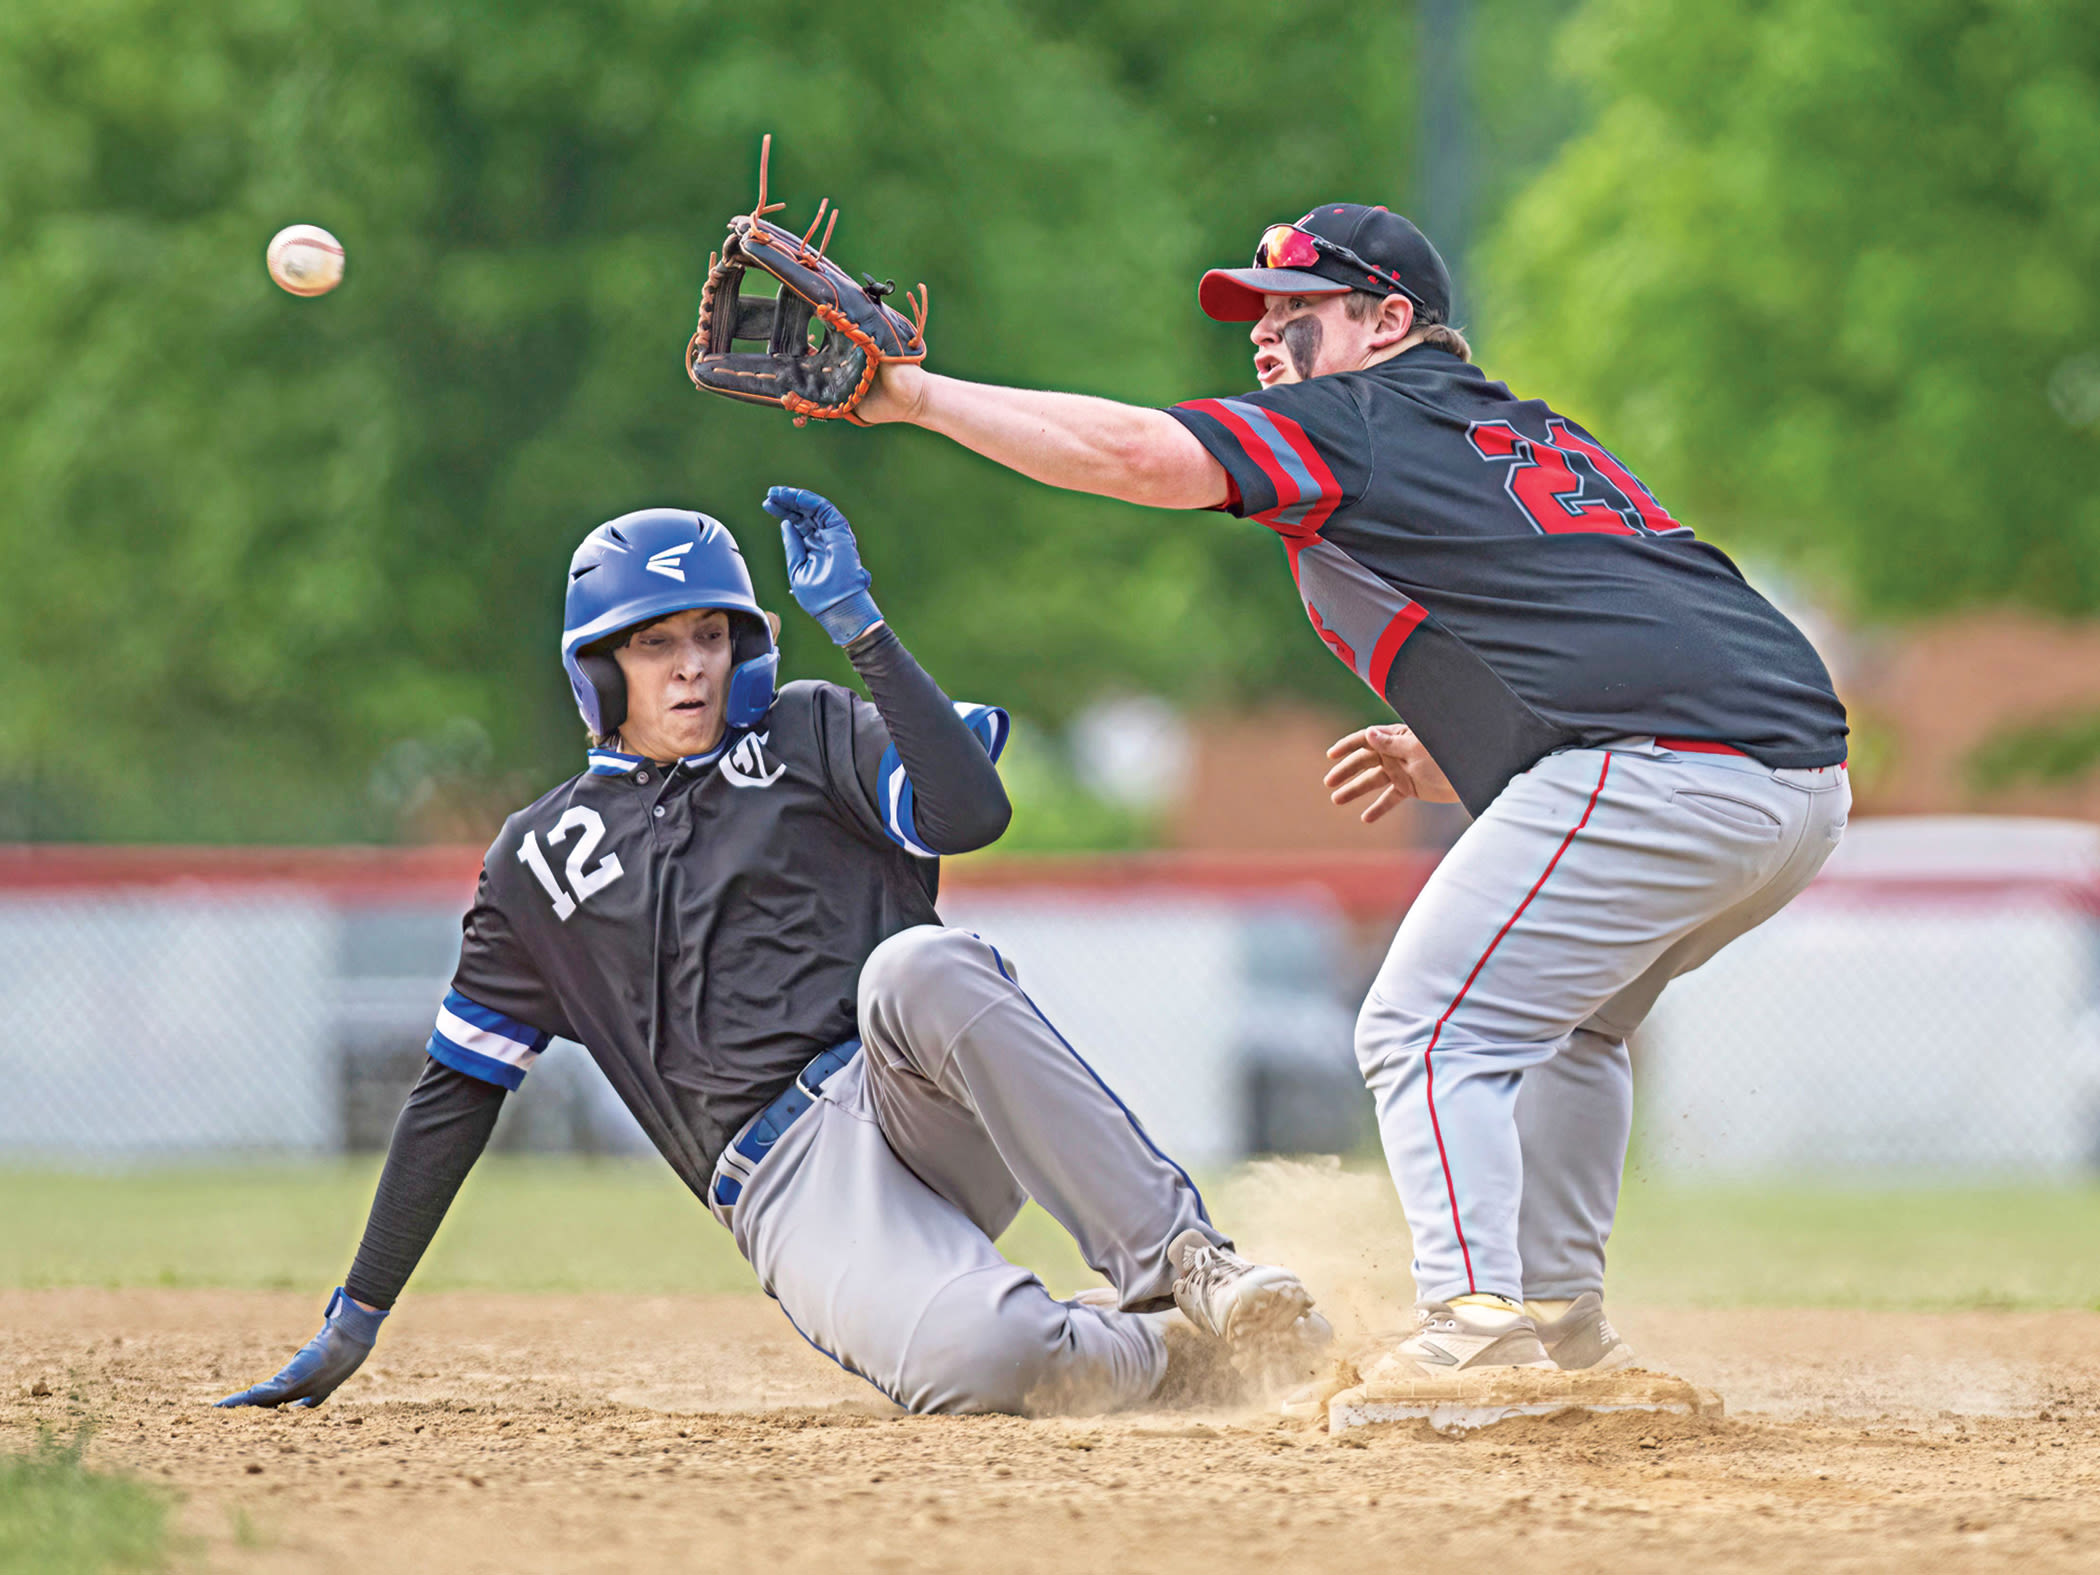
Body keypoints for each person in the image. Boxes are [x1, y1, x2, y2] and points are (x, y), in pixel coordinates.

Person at [847, 205, 1851, 1377]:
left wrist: (913, 396)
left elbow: (1135, 455)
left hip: (1670, 771)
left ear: (1389, 322)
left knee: (1424, 1027)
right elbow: (1616, 607)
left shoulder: (1361, 418)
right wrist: (1464, 741)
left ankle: (1477, 1337)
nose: (1268, 337)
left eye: (1301, 310)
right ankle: (1565, 1334)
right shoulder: (1512, 431)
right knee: (1573, 1028)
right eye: (1259, 315)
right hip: (1797, 785)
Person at [217, 488, 1325, 1417]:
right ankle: (1173, 1360)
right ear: (598, 671)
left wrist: (865, 629)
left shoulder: (804, 729)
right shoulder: (537, 864)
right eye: (655, 644)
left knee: (919, 966)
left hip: (908, 1088)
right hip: (788, 1185)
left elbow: (969, 812)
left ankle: (1186, 1268)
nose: (691, 666)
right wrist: (357, 1313)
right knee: (985, 1363)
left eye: (712, 635)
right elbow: (457, 1088)